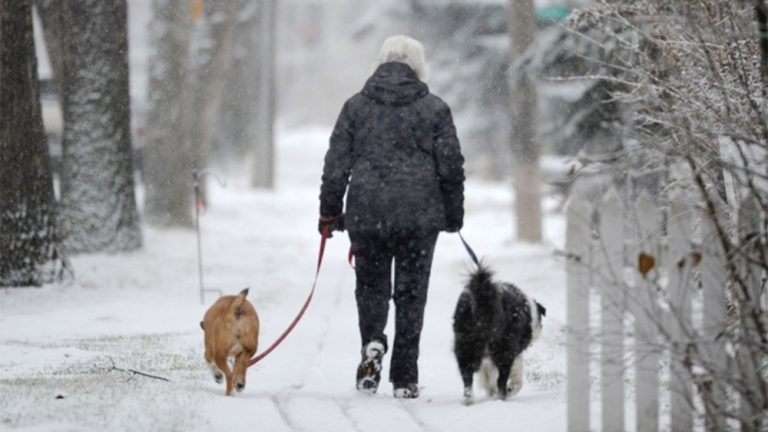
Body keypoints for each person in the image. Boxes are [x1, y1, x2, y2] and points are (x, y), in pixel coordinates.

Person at [318, 35, 465, 399]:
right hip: (419, 217)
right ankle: (404, 377)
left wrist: (329, 211)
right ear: (418, 67)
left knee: (371, 288)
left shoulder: (355, 108)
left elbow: (335, 165)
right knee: (411, 295)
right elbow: (451, 168)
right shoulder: (435, 109)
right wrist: (453, 215)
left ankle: (372, 342)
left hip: (368, 215)